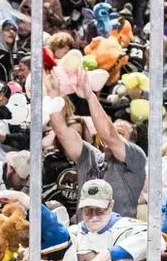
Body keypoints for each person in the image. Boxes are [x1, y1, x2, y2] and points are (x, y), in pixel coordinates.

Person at [48, 70, 147, 221]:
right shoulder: (90, 155)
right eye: (116, 130)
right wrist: (54, 96)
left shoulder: (136, 157)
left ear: (130, 143)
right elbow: (61, 131)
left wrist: (90, 96)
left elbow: (109, 134)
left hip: (117, 234)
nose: (115, 135)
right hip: (85, 235)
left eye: (121, 133)